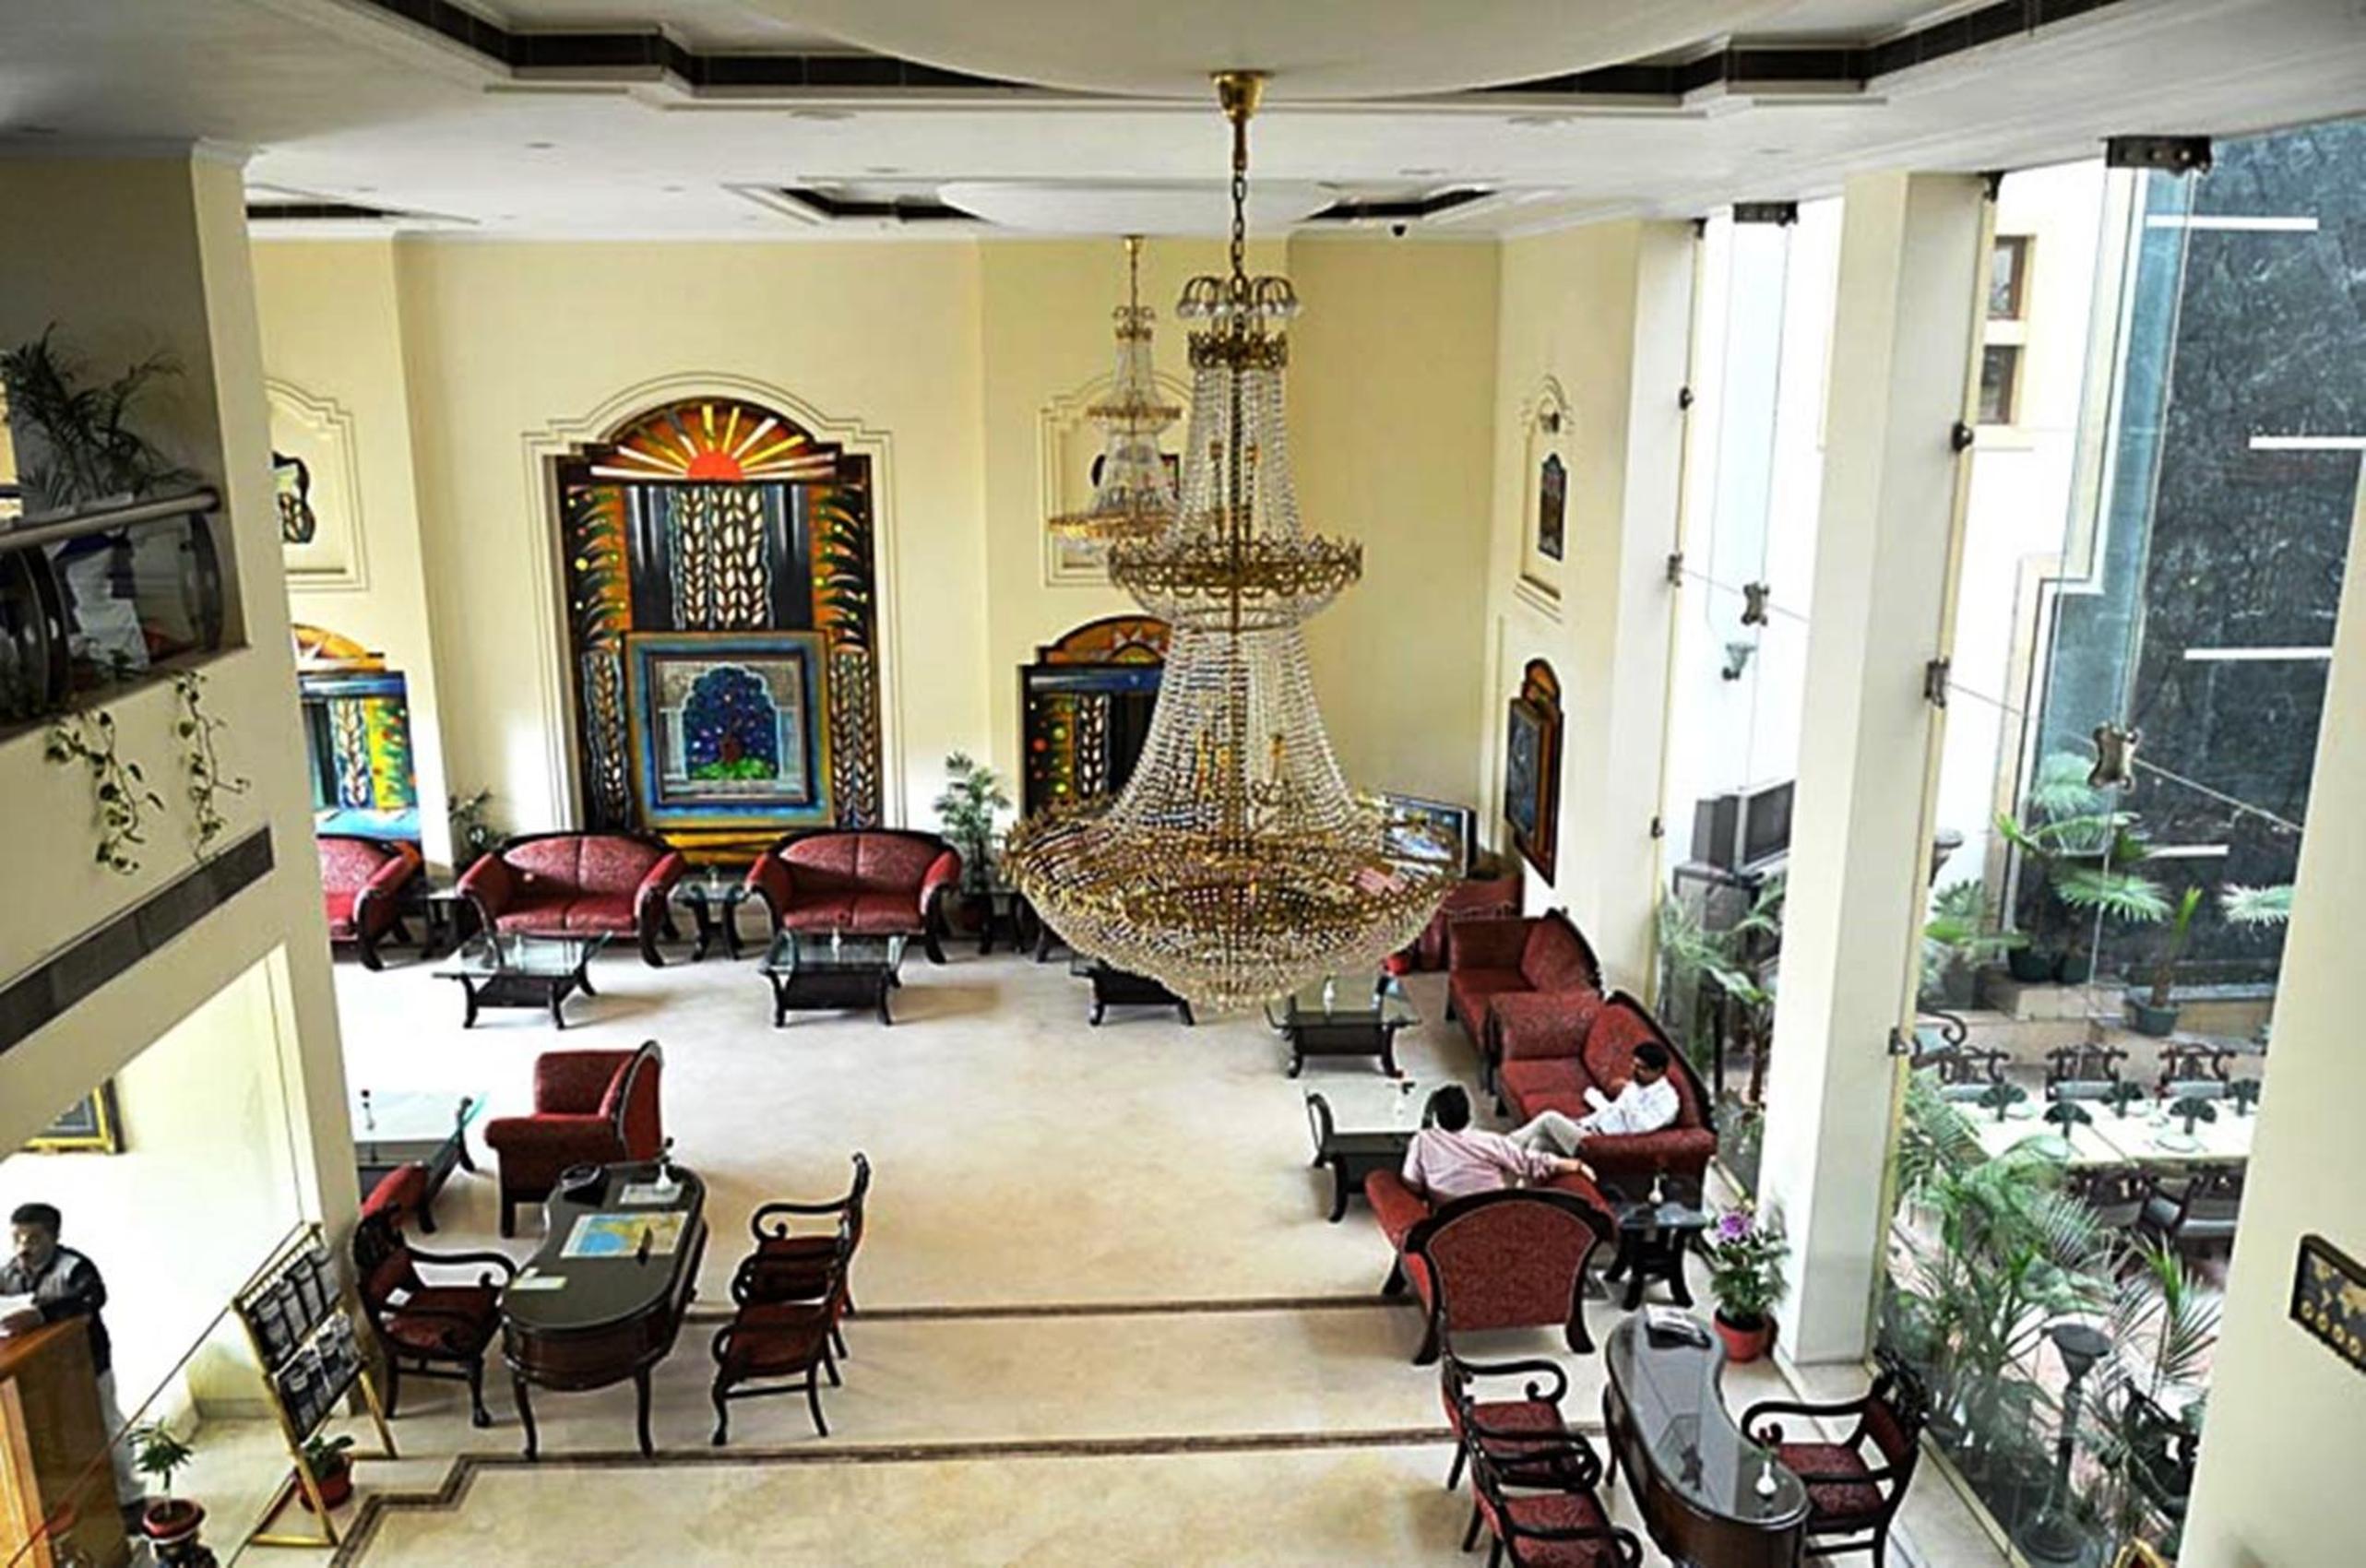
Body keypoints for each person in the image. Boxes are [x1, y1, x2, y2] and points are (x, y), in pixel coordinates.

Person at [2, 1203, 141, 1511]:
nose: (23, 1248)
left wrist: (42, 1315)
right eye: (17, 1239)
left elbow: (92, 1298)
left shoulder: (74, 1267)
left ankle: (130, 1496)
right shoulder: (10, 1272)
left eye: (33, 1239)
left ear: (54, 1237)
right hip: (42, 1371)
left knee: (106, 1423)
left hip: (87, 1362)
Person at [1399, 1086, 1592, 1203]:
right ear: (1469, 1116)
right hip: (1494, 1208)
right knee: (1539, 1138)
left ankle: (1565, 1136)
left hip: (1452, 1212)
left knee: (1538, 1140)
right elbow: (1530, 1164)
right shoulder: (1489, 1142)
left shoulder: (1421, 1141)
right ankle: (1585, 1141)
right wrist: (1575, 1165)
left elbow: (1411, 1183)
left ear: (1438, 1119)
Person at [1507, 1040, 1681, 1158]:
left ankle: (1504, 1146)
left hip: (1603, 1144)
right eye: (1633, 1065)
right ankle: (1521, 1193)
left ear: (1659, 1071)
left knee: (1549, 1119)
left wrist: (1627, 1094)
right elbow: (1613, 1112)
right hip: (1590, 1130)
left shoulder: (1667, 1101)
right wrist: (1583, 1120)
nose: (1633, 1071)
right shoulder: (1637, 1085)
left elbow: (1640, 1128)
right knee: (1539, 1143)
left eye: (1641, 1068)